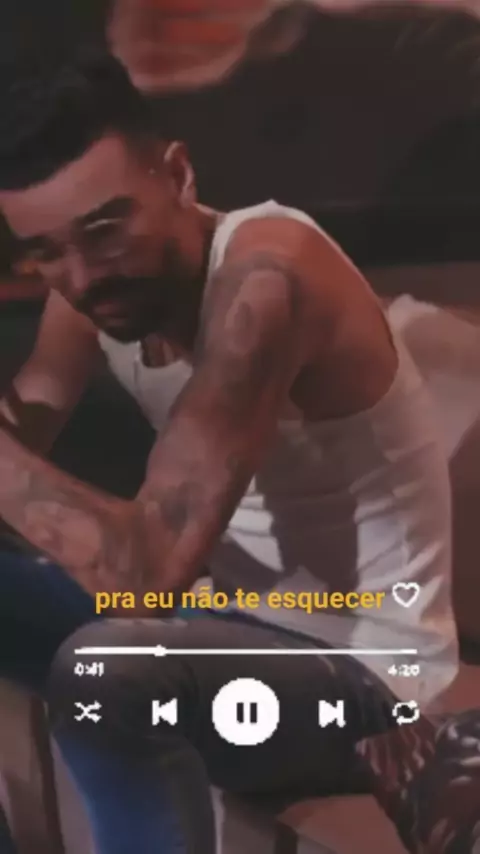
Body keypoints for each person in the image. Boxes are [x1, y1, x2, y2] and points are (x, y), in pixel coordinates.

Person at [0, 51, 461, 853]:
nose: (80, 276)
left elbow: (145, 577)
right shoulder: (91, 289)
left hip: (367, 675)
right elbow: (24, 427)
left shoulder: (269, 276)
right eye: (46, 250)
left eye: (105, 231)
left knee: (111, 671)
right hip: (215, 625)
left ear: (179, 174)